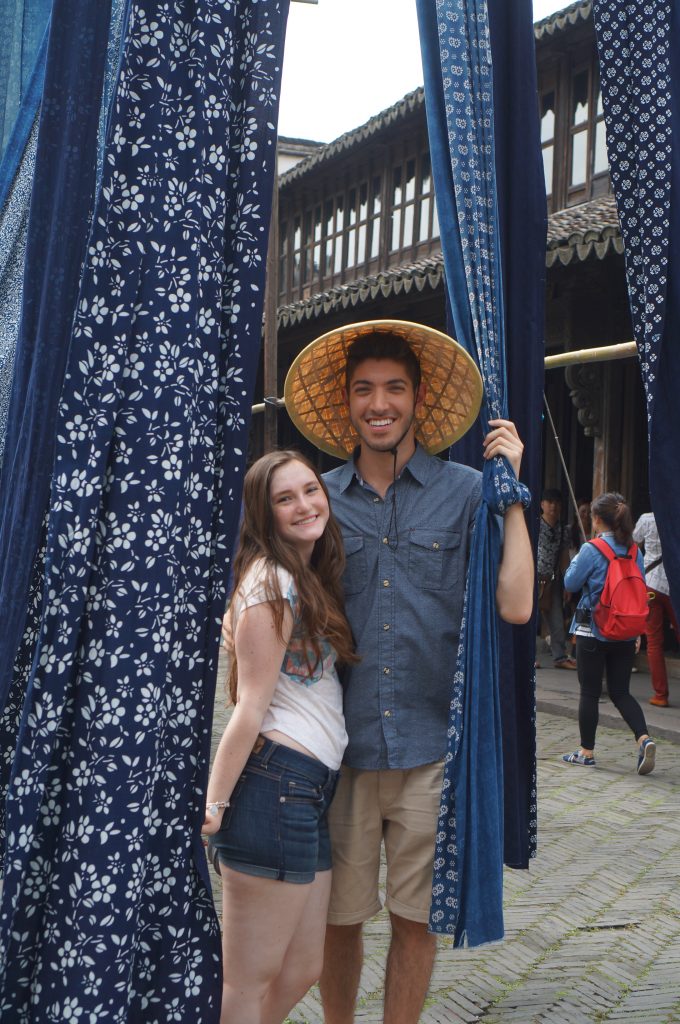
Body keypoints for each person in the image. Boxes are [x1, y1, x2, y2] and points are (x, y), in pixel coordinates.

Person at [284, 321, 534, 1024]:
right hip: (340, 747)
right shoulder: (318, 501)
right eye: (364, 390)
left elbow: (515, 606)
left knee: (414, 921)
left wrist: (509, 489)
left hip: (434, 747)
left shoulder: (463, 493)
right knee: (338, 918)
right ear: (347, 403)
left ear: (419, 399)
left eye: (394, 388)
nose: (379, 403)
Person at [202, 450, 357, 1024]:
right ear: (264, 516)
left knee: (300, 969)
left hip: (306, 790)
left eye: (310, 490)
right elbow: (249, 709)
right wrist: (214, 807)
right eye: (284, 499)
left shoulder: (300, 577)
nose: (304, 505)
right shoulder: (271, 584)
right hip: (273, 788)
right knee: (246, 982)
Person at [561, 492, 656, 774]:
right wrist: (636, 633)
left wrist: (577, 558)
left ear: (598, 520)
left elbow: (570, 581)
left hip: (594, 630)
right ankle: (644, 738)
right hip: (627, 631)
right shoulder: (635, 551)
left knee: (589, 692)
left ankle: (586, 752)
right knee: (621, 692)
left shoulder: (592, 549)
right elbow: (638, 592)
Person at [633, 511, 679, 707]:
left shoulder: (647, 519)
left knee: (653, 641)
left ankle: (660, 695)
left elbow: (633, 543)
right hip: (674, 585)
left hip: (650, 584)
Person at [537, 488, 576, 669]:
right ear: (542, 504)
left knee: (557, 620)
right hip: (531, 577)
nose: (553, 506)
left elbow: (563, 557)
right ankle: (528, 656)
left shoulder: (563, 530)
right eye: (549, 501)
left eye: (557, 503)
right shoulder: (534, 525)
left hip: (551, 580)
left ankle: (560, 656)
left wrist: (567, 583)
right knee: (528, 619)